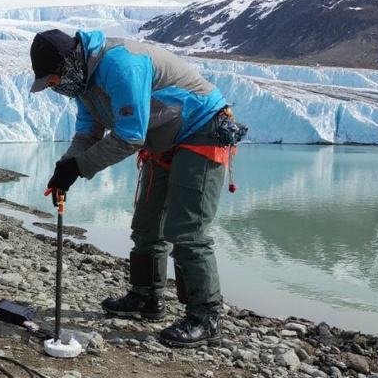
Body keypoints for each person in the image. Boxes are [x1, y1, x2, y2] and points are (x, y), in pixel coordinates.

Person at [30, 28, 238, 348]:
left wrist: (79, 167)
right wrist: (65, 169)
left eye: (54, 80)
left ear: (68, 64)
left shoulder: (122, 66)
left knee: (186, 228)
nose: (55, 88)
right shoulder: (83, 84)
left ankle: (205, 316)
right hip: (164, 141)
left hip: (202, 131)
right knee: (146, 223)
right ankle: (147, 297)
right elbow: (87, 134)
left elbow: (129, 137)